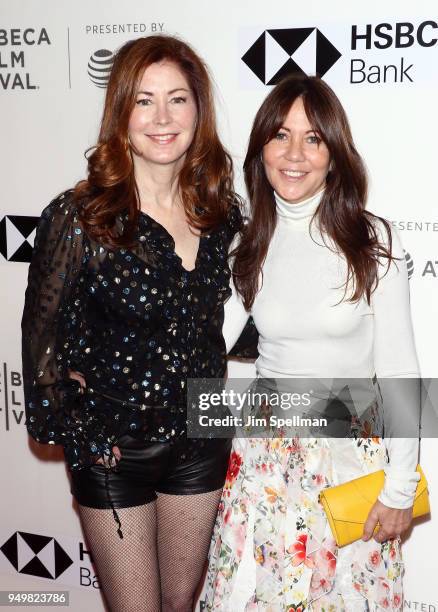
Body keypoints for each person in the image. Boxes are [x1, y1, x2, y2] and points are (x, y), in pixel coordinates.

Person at [21, 35, 242, 612]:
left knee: (180, 607)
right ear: (120, 112)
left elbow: (234, 321)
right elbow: (40, 346)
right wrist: (82, 431)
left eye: (178, 99)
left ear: (200, 109)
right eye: (144, 101)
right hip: (114, 452)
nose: (163, 118)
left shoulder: (218, 211)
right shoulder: (79, 217)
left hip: (201, 443)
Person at [204, 75, 420, 610]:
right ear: (261, 150)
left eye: (313, 138)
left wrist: (399, 488)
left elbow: (399, 374)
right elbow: (205, 350)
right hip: (264, 458)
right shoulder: (246, 243)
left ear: (334, 152)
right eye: (280, 135)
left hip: (350, 458)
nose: (294, 153)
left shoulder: (375, 242)